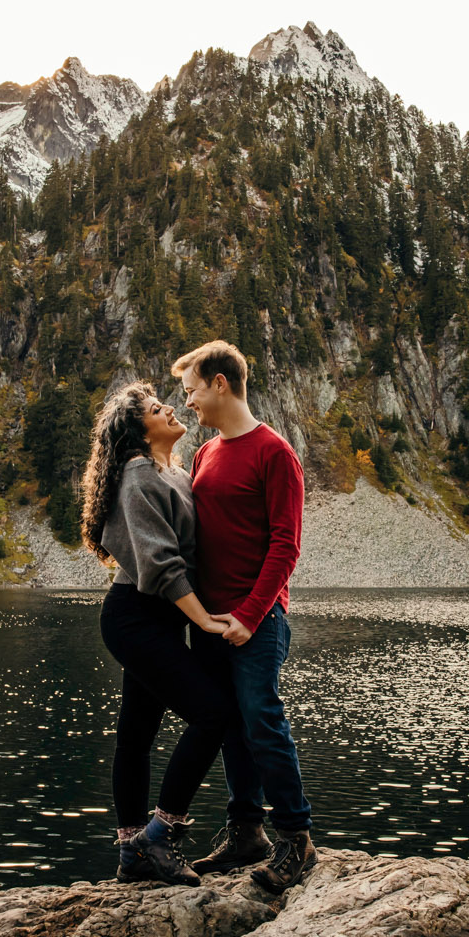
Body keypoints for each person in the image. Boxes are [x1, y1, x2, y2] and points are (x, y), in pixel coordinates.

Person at [170, 340, 317, 893]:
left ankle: (295, 838)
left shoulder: (274, 453)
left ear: (221, 384)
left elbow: (286, 546)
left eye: (192, 391)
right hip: (210, 622)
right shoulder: (206, 454)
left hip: (258, 621)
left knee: (261, 718)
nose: (188, 404)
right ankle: (245, 833)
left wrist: (251, 616)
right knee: (230, 724)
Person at [80, 381, 235, 887]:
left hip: (155, 617)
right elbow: (164, 566)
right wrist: (206, 622)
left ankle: (131, 852)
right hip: (136, 617)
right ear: (137, 431)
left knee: (137, 734)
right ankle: (159, 835)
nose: (168, 407)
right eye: (153, 408)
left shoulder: (172, 471)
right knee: (214, 715)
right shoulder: (138, 476)